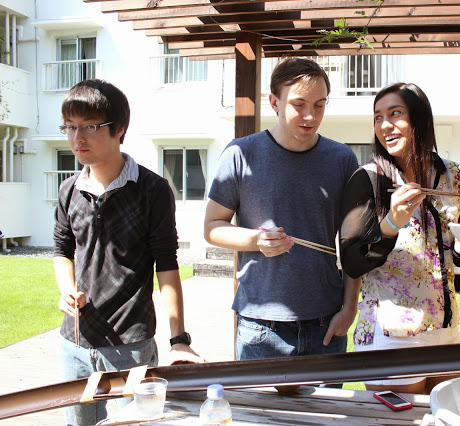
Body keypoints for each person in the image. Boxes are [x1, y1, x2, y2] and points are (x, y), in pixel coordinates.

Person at [203, 57, 360, 393]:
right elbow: (213, 226)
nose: (310, 116)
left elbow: (353, 244)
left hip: (326, 323)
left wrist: (349, 308)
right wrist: (255, 240)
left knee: (328, 421)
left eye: (319, 106)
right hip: (259, 325)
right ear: (274, 102)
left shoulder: (342, 159)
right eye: (299, 105)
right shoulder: (240, 154)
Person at [53, 79, 201, 425]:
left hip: (129, 346)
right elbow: (62, 248)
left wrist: (178, 339)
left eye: (90, 127)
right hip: (74, 343)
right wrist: (66, 291)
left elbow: (166, 264)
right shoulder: (69, 190)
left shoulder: (151, 189)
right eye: (70, 128)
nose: (78, 138)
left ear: (120, 128)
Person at [339, 82, 460, 394]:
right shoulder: (370, 180)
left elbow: (456, 255)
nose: (385, 125)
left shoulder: (454, 175)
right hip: (389, 332)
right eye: (378, 117)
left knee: (445, 414)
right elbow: (352, 262)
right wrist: (392, 223)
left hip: (445, 330)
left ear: (419, 120)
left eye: (395, 114)